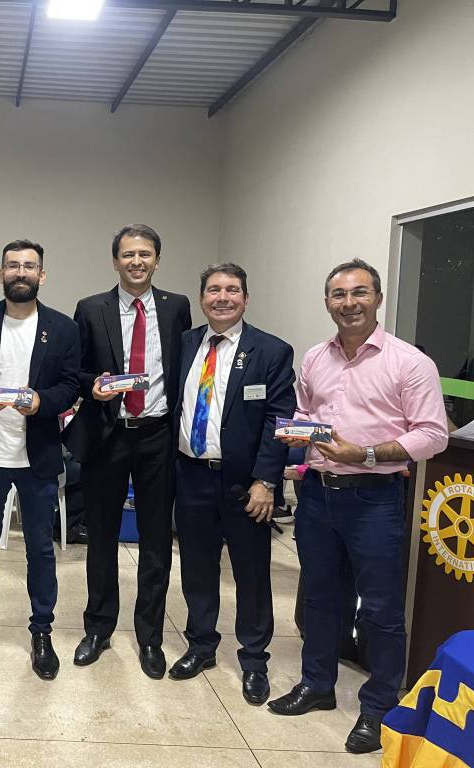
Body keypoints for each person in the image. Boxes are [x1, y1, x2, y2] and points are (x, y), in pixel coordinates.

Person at [267, 259, 448, 754]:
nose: (349, 303)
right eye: (339, 295)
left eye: (359, 293)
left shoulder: (409, 362)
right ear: (328, 302)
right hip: (317, 495)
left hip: (375, 498)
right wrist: (298, 437)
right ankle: (317, 685)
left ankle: (379, 707)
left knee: (381, 609)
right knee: (321, 598)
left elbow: (432, 435)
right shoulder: (314, 357)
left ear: (378, 299)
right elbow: (306, 412)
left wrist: (364, 454)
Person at [63, 224, 191, 678]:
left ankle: (150, 636)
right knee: (101, 536)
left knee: (156, 540)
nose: (137, 262)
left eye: (145, 254)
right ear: (115, 261)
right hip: (108, 433)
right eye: (128, 254)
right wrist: (92, 386)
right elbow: (76, 371)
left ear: (157, 260)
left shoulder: (176, 307)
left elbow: (183, 366)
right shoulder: (90, 308)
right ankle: (98, 628)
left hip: (158, 435)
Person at [0, 239, 80, 680]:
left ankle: (41, 631)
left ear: (42, 275)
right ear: (1, 272)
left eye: (29, 266)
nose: (20, 272)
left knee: (40, 549)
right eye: (12, 265)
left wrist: (42, 402)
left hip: (37, 457)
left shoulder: (62, 327)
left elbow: (70, 385)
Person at [168, 263, 295, 706]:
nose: (223, 297)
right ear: (202, 298)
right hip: (191, 475)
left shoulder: (271, 350)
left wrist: (266, 481)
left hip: (246, 485)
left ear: (245, 298)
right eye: (214, 290)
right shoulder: (185, 344)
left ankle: (254, 659)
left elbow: (280, 420)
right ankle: (201, 644)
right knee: (197, 567)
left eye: (232, 290)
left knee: (251, 572)